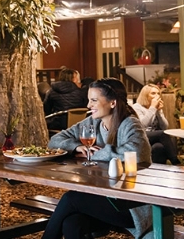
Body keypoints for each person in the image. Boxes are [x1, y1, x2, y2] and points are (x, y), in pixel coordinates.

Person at [44, 78, 153, 239]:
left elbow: (136, 153)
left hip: (132, 206)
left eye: (94, 100)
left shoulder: (130, 124)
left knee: (71, 198)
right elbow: (54, 141)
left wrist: (97, 153)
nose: (88, 106)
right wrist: (77, 147)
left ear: (113, 103)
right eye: (89, 100)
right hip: (105, 198)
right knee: (72, 223)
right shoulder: (92, 123)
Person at [133, 84, 180, 165]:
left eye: (158, 93)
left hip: (155, 137)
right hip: (141, 135)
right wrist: (153, 108)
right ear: (145, 95)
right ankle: (176, 162)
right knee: (163, 134)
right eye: (153, 93)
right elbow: (143, 125)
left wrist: (158, 112)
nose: (157, 96)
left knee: (158, 148)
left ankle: (158, 172)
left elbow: (164, 126)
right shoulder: (137, 107)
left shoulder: (156, 107)